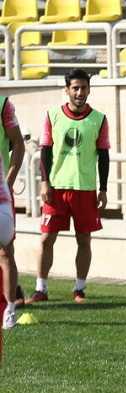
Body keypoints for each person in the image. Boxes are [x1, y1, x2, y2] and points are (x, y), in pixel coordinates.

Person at [26, 69, 110, 305]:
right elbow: (45, 151)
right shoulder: (52, 115)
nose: (79, 92)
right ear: (67, 90)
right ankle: (41, 289)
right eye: (75, 88)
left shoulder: (99, 119)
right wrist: (44, 182)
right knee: (46, 239)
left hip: (85, 188)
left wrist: (103, 189)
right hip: (56, 188)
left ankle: (79, 289)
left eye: (83, 87)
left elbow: (103, 156)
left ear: (89, 89)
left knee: (84, 240)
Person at [0, 95, 25, 328]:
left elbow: (18, 143)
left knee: (5, 251)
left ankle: (10, 308)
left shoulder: (3, 105)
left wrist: (8, 181)